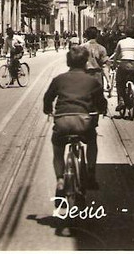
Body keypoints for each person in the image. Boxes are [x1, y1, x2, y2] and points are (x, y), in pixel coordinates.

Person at [43, 45, 108, 194]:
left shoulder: (59, 79)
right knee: (92, 140)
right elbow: (101, 102)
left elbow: (48, 99)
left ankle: (60, 180)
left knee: (58, 150)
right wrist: (102, 110)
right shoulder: (92, 81)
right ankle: (91, 173)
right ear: (86, 62)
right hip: (83, 122)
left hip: (62, 121)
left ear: (68, 63)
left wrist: (48, 110)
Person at [111, 26, 134, 115]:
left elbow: (116, 54)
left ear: (125, 34)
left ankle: (121, 100)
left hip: (123, 64)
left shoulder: (121, 42)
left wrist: (114, 64)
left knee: (119, 83)